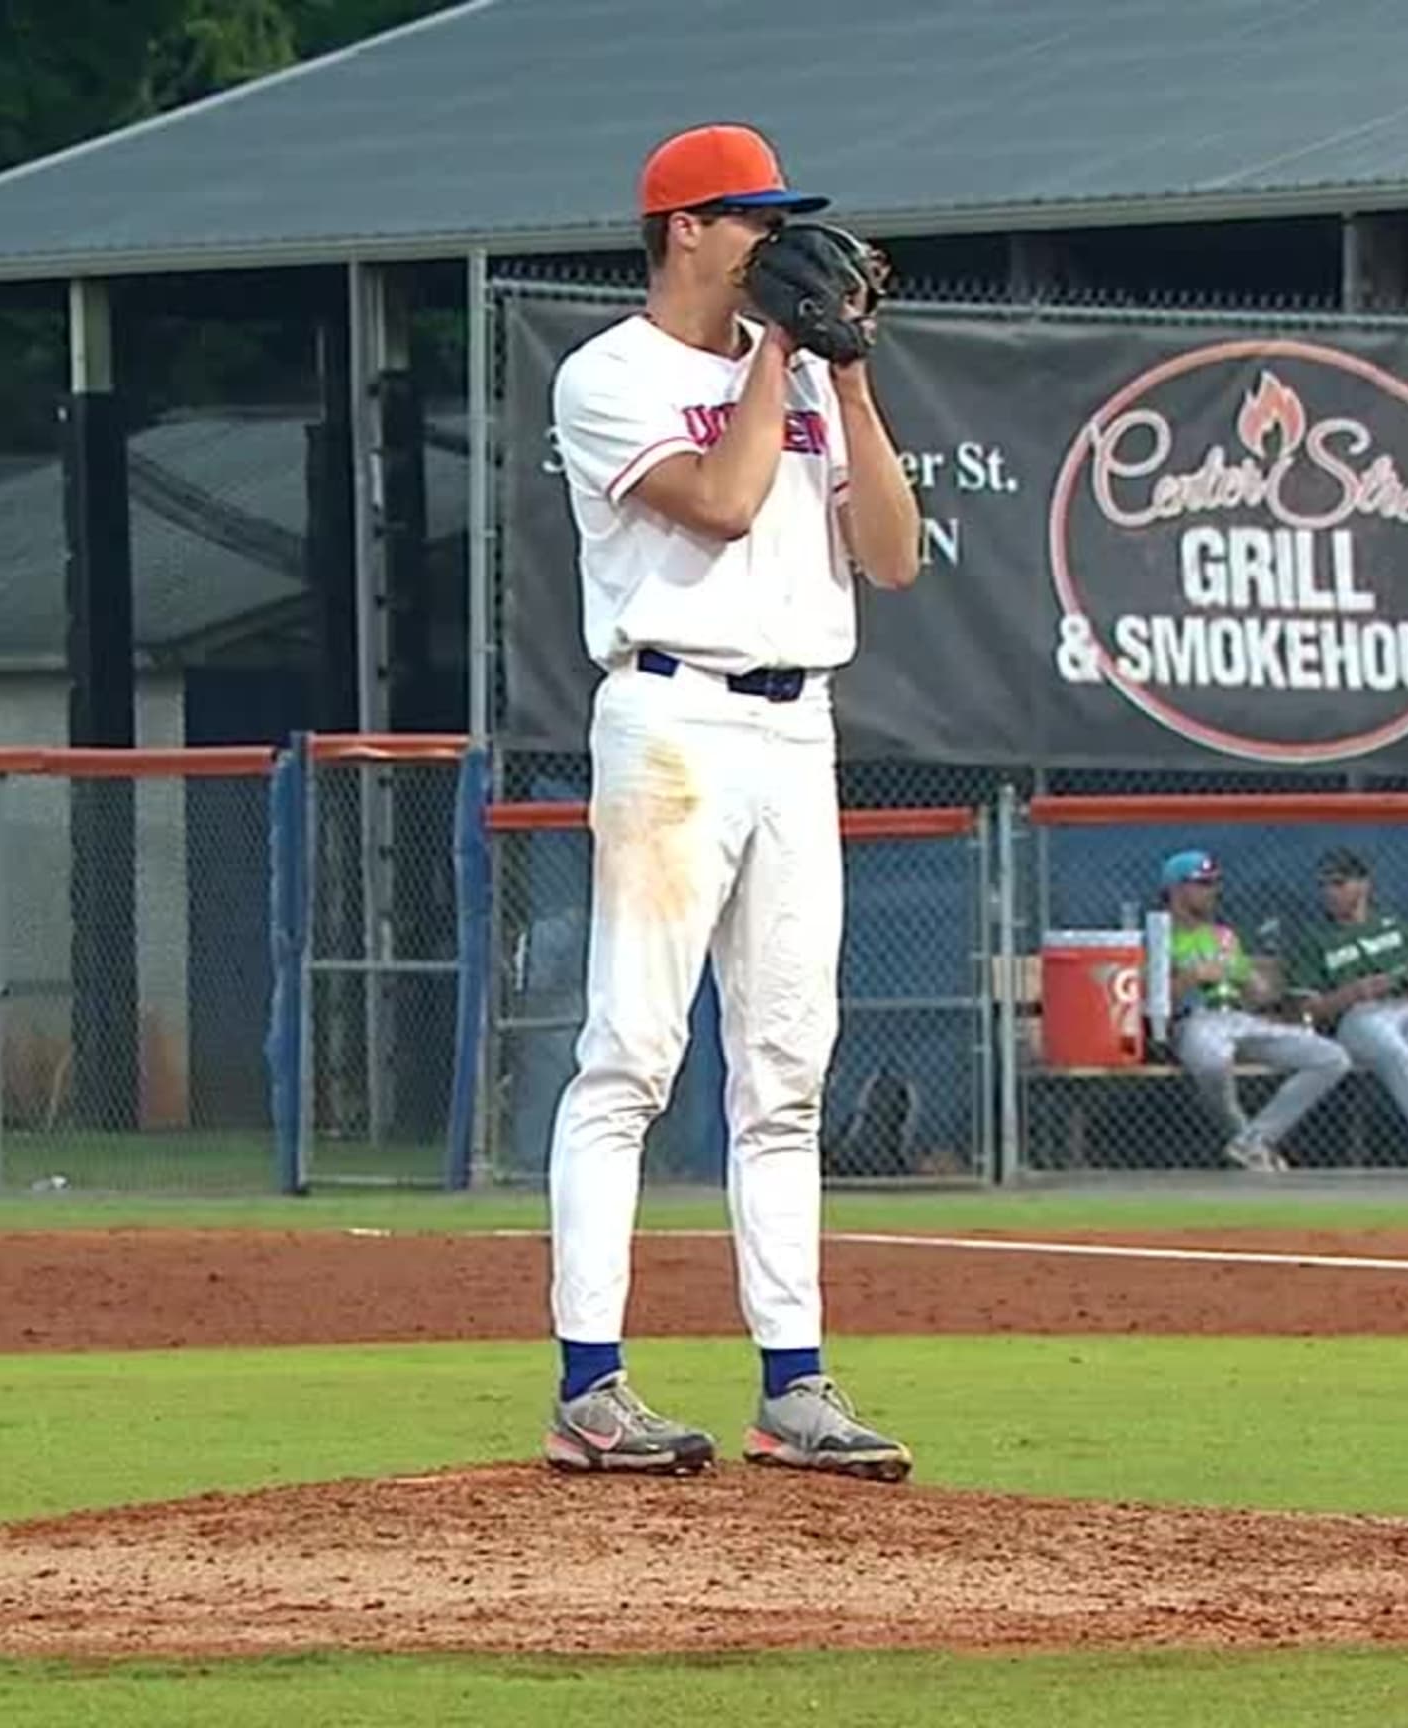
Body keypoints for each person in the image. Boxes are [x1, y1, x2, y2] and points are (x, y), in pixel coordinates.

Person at [536, 123, 924, 1482]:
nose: (776, 241)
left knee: (785, 1071)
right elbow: (721, 499)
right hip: (672, 718)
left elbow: (893, 554)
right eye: (751, 219)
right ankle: (590, 1387)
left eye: (781, 219)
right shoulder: (609, 375)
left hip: (794, 725)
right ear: (684, 229)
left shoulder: (813, 374)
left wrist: (852, 380)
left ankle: (794, 1384)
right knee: (632, 1057)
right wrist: (778, 354)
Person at [1283, 848, 1408, 1164]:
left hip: (1406, 1011)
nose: (1330, 892)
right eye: (1325, 885)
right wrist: (1355, 991)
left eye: (1339, 884)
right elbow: (1306, 1010)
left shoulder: (1391, 926)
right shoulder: (1314, 938)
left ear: (1363, 885)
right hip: (1356, 1020)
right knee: (1396, 1053)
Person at [1158, 848, 1352, 1172]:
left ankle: (1252, 1141)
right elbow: (1150, 1006)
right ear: (1176, 889)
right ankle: (1246, 1138)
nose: (1212, 891)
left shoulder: (1224, 937)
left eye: (1214, 883)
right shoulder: (1159, 936)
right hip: (1194, 1021)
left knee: (1332, 1058)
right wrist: (1190, 977)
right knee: (1212, 1063)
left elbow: (1259, 995)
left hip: (1240, 1019)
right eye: (1202, 883)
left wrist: (1254, 982)